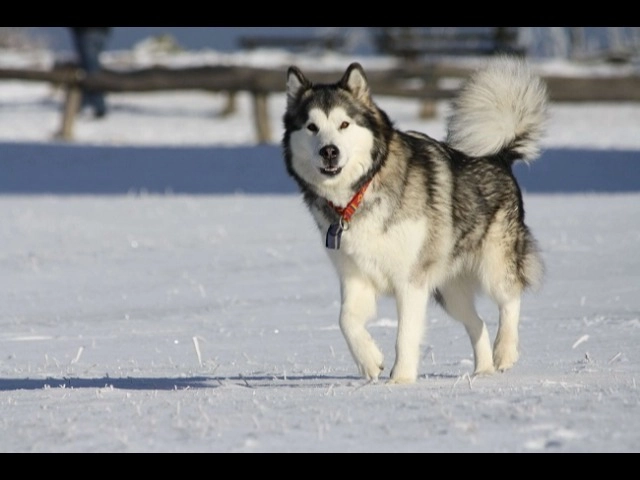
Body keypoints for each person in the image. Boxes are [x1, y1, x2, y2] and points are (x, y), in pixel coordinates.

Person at [68, 27, 112, 118]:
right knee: (88, 68)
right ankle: (85, 102)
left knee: (91, 69)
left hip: (87, 31)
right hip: (99, 31)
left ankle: (98, 105)